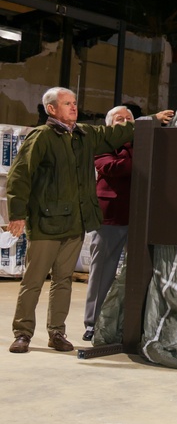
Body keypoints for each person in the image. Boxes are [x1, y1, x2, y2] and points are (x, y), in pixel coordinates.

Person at [6, 88, 135, 353]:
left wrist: (153, 119)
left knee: (63, 281)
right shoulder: (41, 137)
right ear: (51, 109)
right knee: (33, 281)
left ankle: (57, 333)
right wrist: (18, 215)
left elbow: (115, 134)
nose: (74, 107)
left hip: (74, 223)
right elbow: (20, 176)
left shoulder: (84, 134)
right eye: (67, 103)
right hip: (46, 223)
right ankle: (23, 333)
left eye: (75, 103)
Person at [82, 104, 173, 341]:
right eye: (119, 119)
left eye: (129, 118)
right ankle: (93, 323)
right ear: (109, 126)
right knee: (103, 271)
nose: (124, 122)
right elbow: (113, 168)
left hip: (141, 216)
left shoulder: (143, 143)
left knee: (140, 272)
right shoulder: (102, 144)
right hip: (111, 217)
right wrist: (139, 153)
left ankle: (134, 325)